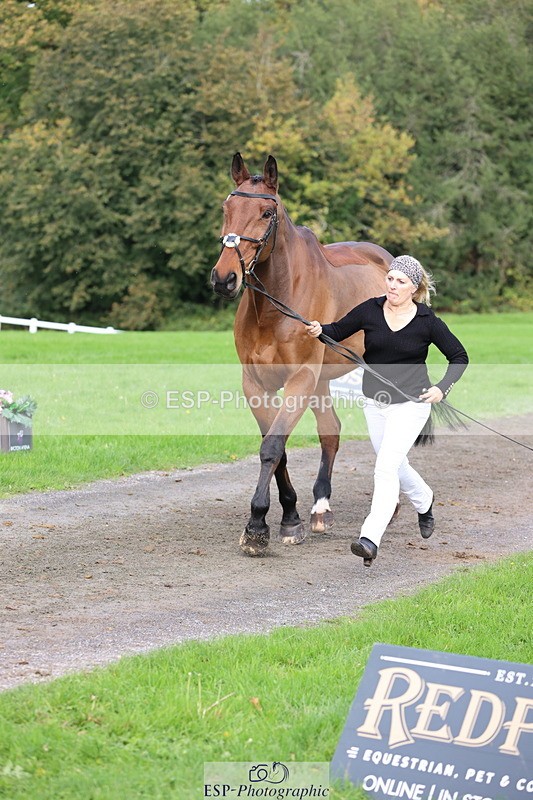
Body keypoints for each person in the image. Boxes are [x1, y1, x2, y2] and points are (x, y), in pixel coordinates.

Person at [306, 255, 468, 566]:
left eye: (400, 281)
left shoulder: (427, 321)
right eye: (390, 278)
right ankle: (424, 499)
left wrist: (442, 388)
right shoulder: (370, 309)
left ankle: (370, 538)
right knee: (395, 464)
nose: (392, 285)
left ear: (414, 288)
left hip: (411, 405)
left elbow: (459, 356)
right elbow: (336, 330)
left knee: (384, 468)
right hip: (375, 404)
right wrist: (317, 328)